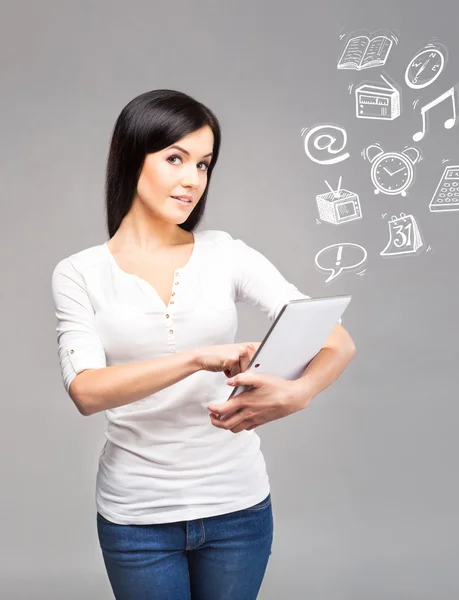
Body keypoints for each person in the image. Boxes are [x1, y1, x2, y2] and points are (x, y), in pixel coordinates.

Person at [51, 89, 356, 600]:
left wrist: (296, 395)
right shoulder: (80, 272)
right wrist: (196, 359)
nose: (192, 179)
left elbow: (337, 340)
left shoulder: (225, 254)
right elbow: (86, 391)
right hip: (138, 517)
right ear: (132, 157)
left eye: (204, 164)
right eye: (175, 158)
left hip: (238, 508)